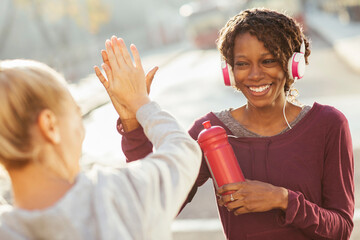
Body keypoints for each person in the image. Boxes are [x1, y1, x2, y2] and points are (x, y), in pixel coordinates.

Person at [118, 9, 355, 239]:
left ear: (293, 64)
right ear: (229, 71)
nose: (254, 75)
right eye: (242, 64)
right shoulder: (208, 131)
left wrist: (282, 199)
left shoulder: (328, 125)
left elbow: (341, 229)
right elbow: (155, 202)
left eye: (268, 60)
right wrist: (132, 121)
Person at [0, 36, 202, 240]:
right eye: (76, 114)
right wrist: (141, 103)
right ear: (50, 126)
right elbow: (183, 150)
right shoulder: (121, 195)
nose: (81, 130)